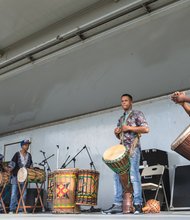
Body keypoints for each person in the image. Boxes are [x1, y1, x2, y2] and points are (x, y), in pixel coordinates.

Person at [102, 94, 149, 214]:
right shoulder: (121, 118)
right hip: (122, 150)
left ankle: (138, 204)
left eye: (126, 100)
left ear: (131, 102)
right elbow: (121, 135)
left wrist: (129, 128)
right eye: (122, 101)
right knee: (116, 175)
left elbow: (146, 129)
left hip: (133, 149)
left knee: (133, 175)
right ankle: (117, 204)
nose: (124, 103)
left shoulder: (137, 114)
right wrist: (116, 132)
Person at [9, 139, 33, 213]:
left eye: (28, 145)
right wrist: (9, 169)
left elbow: (31, 165)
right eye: (26, 145)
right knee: (14, 193)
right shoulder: (17, 154)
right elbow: (12, 164)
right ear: (22, 146)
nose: (27, 146)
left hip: (24, 177)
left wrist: (32, 170)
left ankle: (20, 209)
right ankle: (12, 209)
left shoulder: (29, 155)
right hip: (16, 176)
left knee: (24, 193)